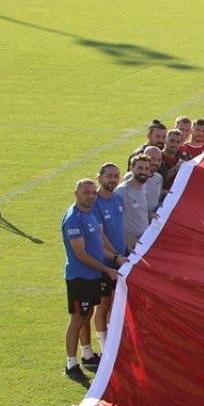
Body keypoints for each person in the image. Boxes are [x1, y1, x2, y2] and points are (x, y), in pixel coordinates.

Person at [63, 179, 124, 382]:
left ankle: (88, 355)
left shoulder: (90, 214)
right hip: (79, 277)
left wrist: (115, 257)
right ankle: (71, 364)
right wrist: (107, 269)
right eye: (86, 192)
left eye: (92, 193)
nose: (90, 196)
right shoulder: (73, 219)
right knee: (77, 318)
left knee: (86, 315)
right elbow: (81, 255)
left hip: (92, 276)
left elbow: (97, 246)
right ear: (76, 193)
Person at [91, 163, 128, 368]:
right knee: (103, 306)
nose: (113, 180)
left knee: (115, 304)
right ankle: (105, 349)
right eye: (109, 176)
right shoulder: (95, 202)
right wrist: (114, 256)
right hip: (106, 262)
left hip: (120, 259)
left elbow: (119, 228)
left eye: (116, 176)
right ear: (99, 178)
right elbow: (100, 235)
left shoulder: (117, 199)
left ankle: (113, 345)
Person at [115, 154, 153, 249]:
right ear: (131, 168)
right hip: (129, 246)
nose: (143, 172)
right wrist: (127, 239)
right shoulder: (121, 191)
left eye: (146, 169)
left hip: (142, 242)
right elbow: (113, 221)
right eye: (140, 168)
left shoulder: (143, 188)